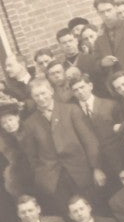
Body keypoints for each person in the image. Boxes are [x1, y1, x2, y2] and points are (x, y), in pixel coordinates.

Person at [19, 76, 104, 212]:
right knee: (67, 216)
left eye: (43, 93)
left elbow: (89, 141)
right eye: (36, 95)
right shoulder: (30, 123)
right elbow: (32, 157)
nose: (41, 98)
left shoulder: (71, 110)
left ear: (51, 91)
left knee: (94, 209)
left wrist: (96, 168)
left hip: (80, 173)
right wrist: (43, 178)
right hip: (54, 180)